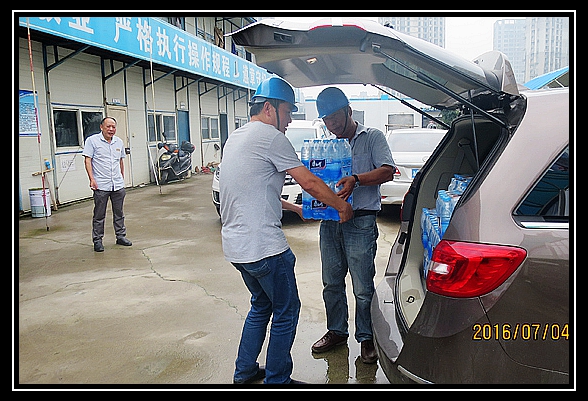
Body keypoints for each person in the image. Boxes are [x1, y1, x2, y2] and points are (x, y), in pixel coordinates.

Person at [220, 77, 353, 384]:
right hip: (264, 248)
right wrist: (340, 206)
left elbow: (252, 190)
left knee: (261, 305)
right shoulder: (270, 137)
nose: (290, 120)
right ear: (269, 108)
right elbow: (309, 182)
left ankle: (245, 372)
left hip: (237, 249)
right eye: (287, 111)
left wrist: (296, 209)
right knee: (286, 310)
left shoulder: (236, 137)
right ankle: (278, 380)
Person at [311, 87, 395, 364]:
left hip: (361, 222)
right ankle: (336, 331)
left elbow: (387, 170)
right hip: (330, 222)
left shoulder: (372, 137)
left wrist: (356, 179)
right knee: (331, 282)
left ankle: (366, 337)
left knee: (362, 285)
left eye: (335, 117)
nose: (332, 124)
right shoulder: (326, 145)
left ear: (348, 111)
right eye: (326, 120)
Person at [82, 117, 132, 252]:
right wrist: (92, 179)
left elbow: (120, 161)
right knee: (99, 215)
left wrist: (122, 177)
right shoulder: (92, 141)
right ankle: (97, 240)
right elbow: (88, 161)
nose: (111, 129)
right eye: (108, 126)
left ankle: (121, 236)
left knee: (119, 213)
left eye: (113, 127)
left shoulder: (119, 142)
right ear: (101, 127)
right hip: (101, 185)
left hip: (117, 185)